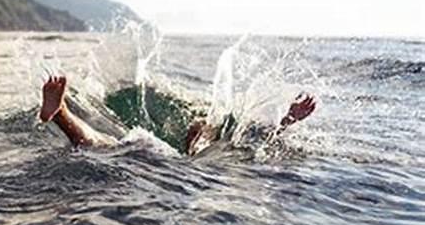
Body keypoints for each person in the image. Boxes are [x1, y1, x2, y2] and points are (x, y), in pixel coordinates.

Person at [39, 75, 316, 156]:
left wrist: (287, 120)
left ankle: (61, 113)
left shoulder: (154, 144)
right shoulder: (228, 138)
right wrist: (287, 121)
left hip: (163, 159)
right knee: (105, 146)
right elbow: (258, 139)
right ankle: (60, 112)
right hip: (181, 165)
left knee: (103, 145)